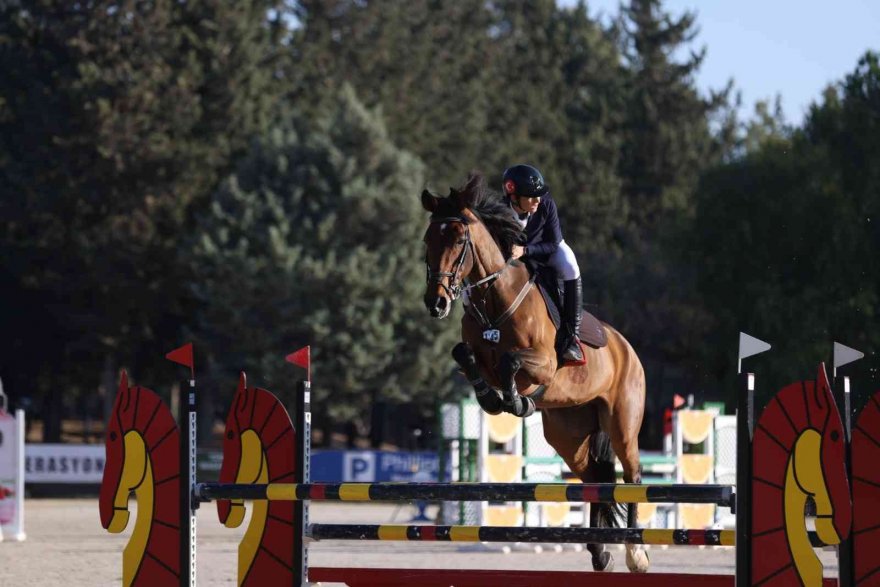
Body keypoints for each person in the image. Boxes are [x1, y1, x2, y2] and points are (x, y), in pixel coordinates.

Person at [502, 164, 584, 364]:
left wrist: (526, 250)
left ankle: (572, 337)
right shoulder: (500, 211)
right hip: (515, 255)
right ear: (514, 196)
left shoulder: (546, 204)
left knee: (571, 266)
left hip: (547, 249)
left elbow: (553, 243)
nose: (537, 200)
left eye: (538, 195)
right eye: (531, 196)